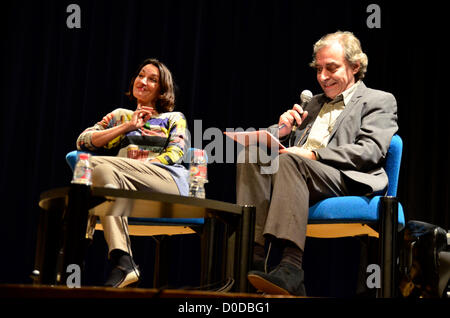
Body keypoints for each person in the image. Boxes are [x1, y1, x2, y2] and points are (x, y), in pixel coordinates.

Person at [236, 31, 398, 296]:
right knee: (251, 156)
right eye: (319, 69)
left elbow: (370, 151)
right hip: (298, 174)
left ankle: (291, 268)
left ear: (355, 66)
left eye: (331, 68)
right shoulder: (312, 104)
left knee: (290, 163)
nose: (323, 77)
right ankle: (252, 258)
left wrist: (312, 156)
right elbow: (279, 146)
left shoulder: (378, 100)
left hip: (345, 177)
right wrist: (281, 129)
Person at [76, 58, 188, 288]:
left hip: (165, 183)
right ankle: (123, 261)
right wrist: (128, 127)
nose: (143, 81)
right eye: (140, 75)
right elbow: (83, 141)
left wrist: (138, 167)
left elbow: (175, 154)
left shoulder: (174, 118)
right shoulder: (120, 116)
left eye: (152, 79)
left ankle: (76, 246)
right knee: (104, 171)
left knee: (90, 167)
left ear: (162, 89)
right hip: (124, 190)